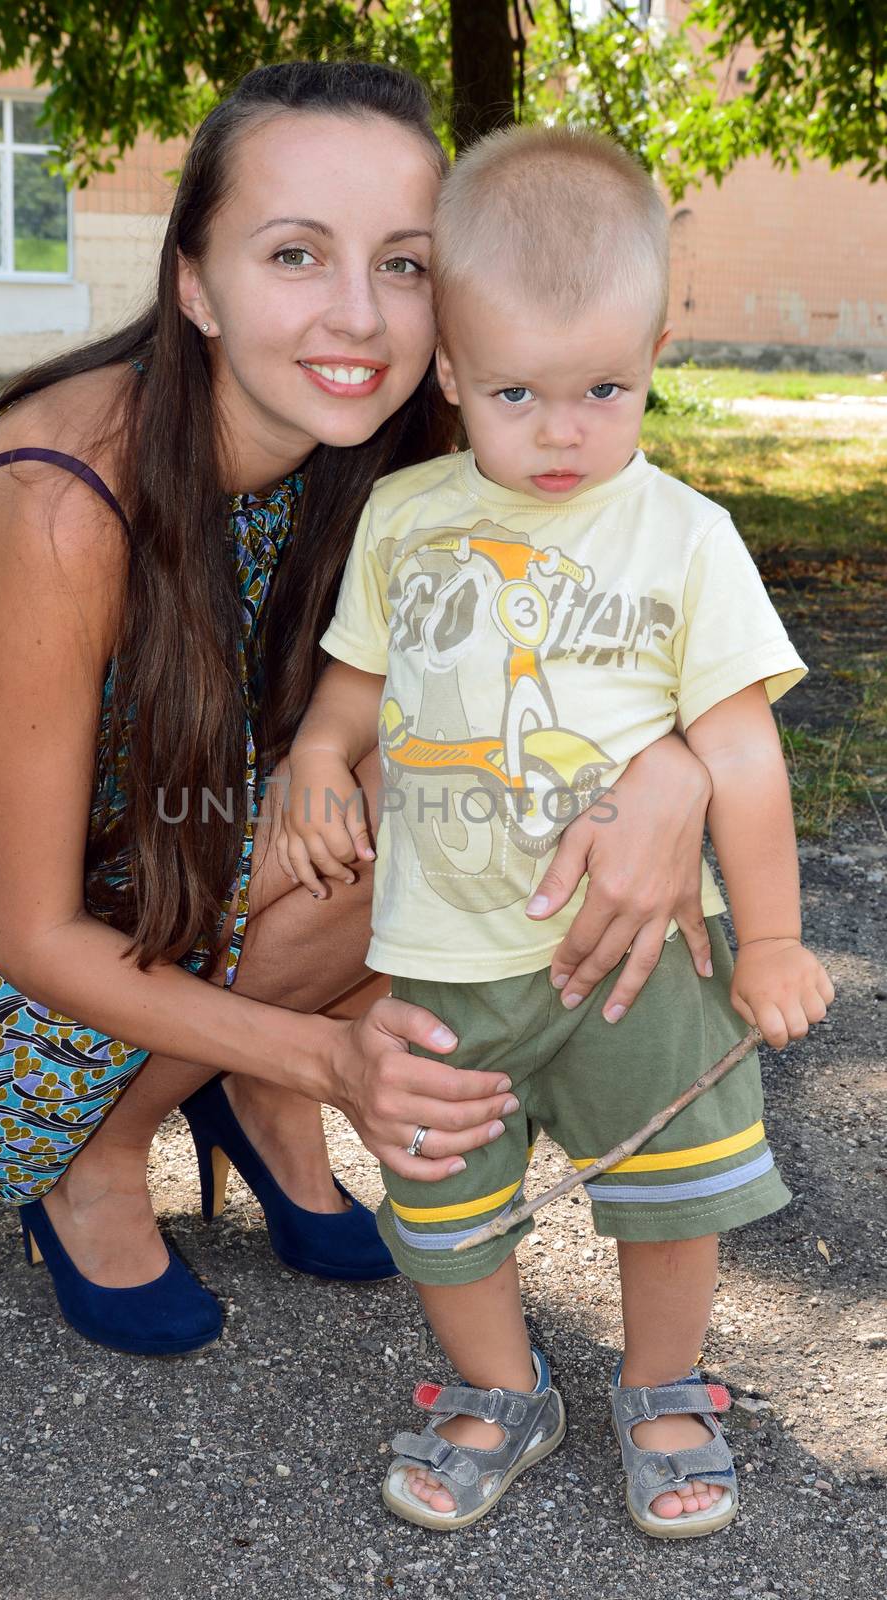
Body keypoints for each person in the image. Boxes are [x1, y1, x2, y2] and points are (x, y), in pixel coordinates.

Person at [0, 66, 717, 1361]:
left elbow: (613, 608)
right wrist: (346, 1063)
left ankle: (253, 1081)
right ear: (195, 283)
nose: (357, 315)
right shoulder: (61, 506)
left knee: (467, 768)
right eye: (292, 254)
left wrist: (670, 769)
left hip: (182, 854)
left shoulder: (411, 445)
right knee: (427, 804)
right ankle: (100, 1157)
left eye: (400, 263)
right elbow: (29, 929)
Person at [279, 124, 835, 1538]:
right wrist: (317, 761)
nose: (561, 430)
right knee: (441, 1197)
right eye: (515, 392)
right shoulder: (407, 519)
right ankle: (495, 1387)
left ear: (654, 349)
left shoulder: (685, 535)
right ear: (451, 370)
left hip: (638, 956)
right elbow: (353, 684)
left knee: (672, 1190)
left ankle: (663, 1384)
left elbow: (738, 752)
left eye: (604, 388)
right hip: (443, 956)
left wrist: (766, 936)